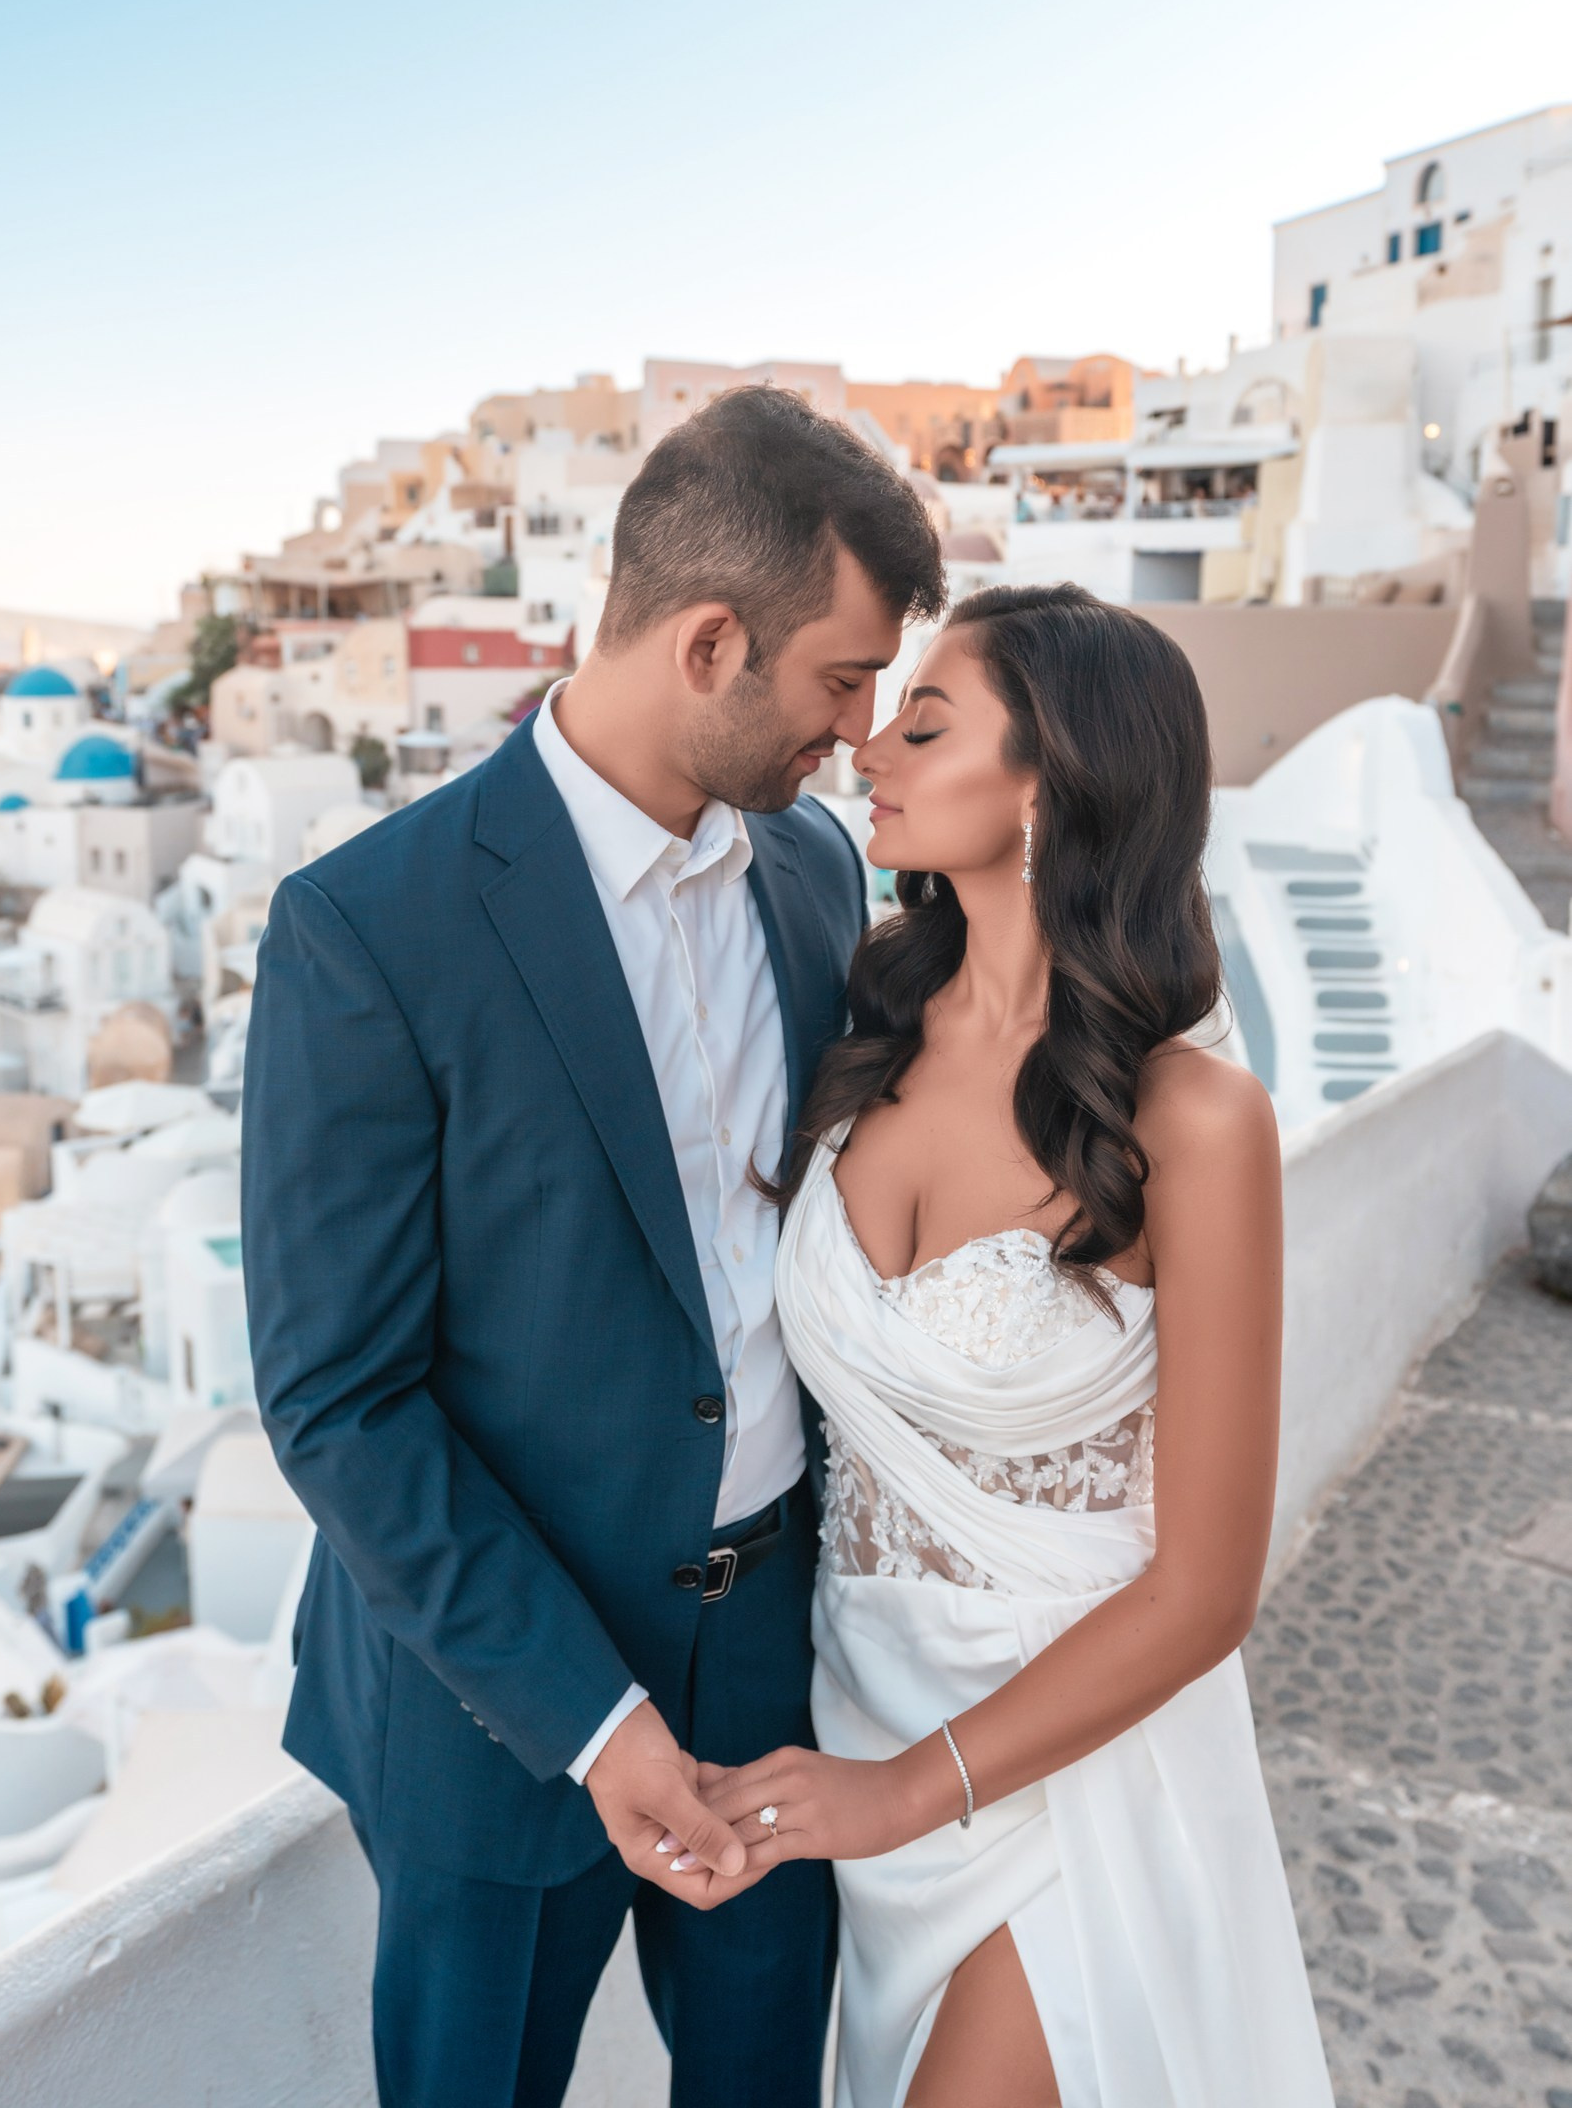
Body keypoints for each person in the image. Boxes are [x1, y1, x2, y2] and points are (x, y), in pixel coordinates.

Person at [239, 386, 945, 2108]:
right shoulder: (367, 930)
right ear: (711, 642)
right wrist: (595, 1723)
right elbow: (339, 1401)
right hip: (502, 1718)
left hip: (781, 1668)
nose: (859, 735)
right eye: (843, 680)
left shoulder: (808, 875)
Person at [693, 583, 1334, 2107]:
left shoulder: (1194, 1122)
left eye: (924, 722)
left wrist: (906, 1793)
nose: (871, 750)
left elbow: (1205, 1591)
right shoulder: (866, 1033)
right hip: (857, 1706)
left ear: (1051, 779)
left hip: (1068, 1767)